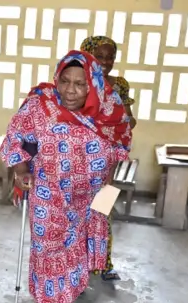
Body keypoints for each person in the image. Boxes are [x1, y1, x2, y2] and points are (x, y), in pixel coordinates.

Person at [0, 50, 132, 303]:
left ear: (92, 85)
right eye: (65, 81)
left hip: (89, 197)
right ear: (56, 80)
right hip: (48, 194)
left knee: (78, 245)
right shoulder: (41, 106)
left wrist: (106, 192)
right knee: (46, 247)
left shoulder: (108, 111)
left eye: (80, 84)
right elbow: (16, 138)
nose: (70, 90)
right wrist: (21, 171)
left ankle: (71, 285)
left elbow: (119, 149)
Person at [81, 35, 137, 281]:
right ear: (86, 55)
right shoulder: (76, 81)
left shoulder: (119, 85)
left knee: (102, 212)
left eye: (110, 56)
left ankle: (103, 263)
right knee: (76, 214)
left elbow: (130, 120)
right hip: (77, 161)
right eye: (99, 56)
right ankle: (77, 263)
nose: (105, 61)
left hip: (107, 163)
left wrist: (119, 117)